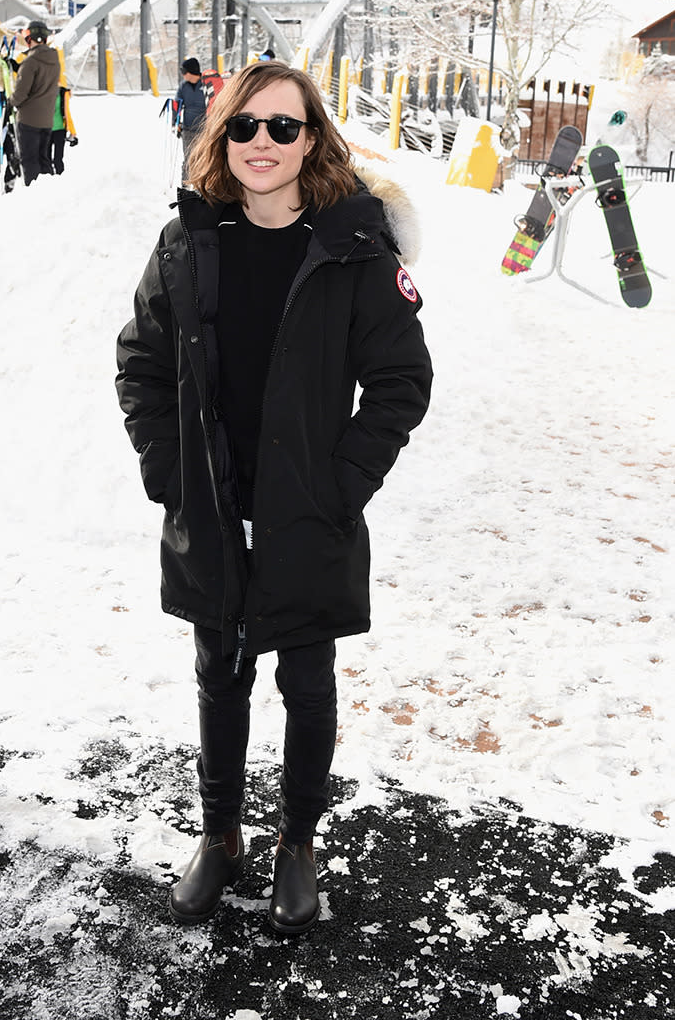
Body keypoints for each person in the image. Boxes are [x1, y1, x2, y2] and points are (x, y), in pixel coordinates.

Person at [115, 60, 432, 935]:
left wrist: (341, 487)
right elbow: (139, 365)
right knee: (219, 675)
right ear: (224, 136)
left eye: (283, 127)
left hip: (308, 514)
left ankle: (297, 842)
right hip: (212, 509)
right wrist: (170, 475)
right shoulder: (188, 241)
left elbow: (402, 382)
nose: (263, 143)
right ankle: (221, 836)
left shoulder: (354, 247)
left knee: (307, 679)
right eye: (245, 126)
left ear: (311, 138)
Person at [10, 20, 60, 185]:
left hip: (29, 119)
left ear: (29, 39)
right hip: (47, 119)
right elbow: (41, 80)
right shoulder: (54, 60)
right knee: (44, 159)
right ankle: (49, 192)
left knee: (30, 160)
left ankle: (33, 194)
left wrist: (10, 101)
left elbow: (21, 93)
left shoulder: (30, 62)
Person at [173, 56, 206, 182]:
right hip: (188, 130)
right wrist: (175, 123)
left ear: (191, 72)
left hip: (205, 130)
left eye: (183, 71)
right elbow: (177, 105)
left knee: (204, 159)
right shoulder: (183, 86)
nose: (182, 75)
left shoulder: (206, 84)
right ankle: (185, 188)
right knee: (188, 160)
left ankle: (204, 188)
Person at [50, 84, 78, 175]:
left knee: (58, 158)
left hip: (60, 129)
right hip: (45, 129)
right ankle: (45, 180)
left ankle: (60, 178)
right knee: (45, 158)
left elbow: (67, 113)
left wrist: (72, 132)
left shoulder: (62, 93)